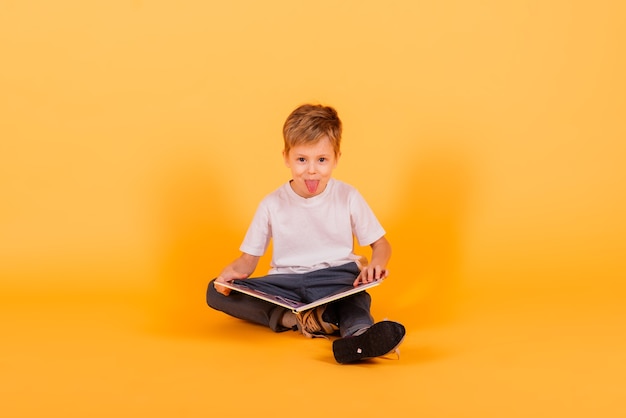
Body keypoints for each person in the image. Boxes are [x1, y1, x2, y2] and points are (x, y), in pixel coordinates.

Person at [206, 103, 405, 364]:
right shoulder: (271, 204)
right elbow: (248, 260)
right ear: (286, 157)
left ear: (336, 158)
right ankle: (301, 319)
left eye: (321, 160)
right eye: (302, 160)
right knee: (214, 290)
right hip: (286, 285)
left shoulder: (347, 196)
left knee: (356, 299)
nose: (311, 170)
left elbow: (381, 244)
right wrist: (230, 274)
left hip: (336, 279)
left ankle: (359, 337)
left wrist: (376, 266)